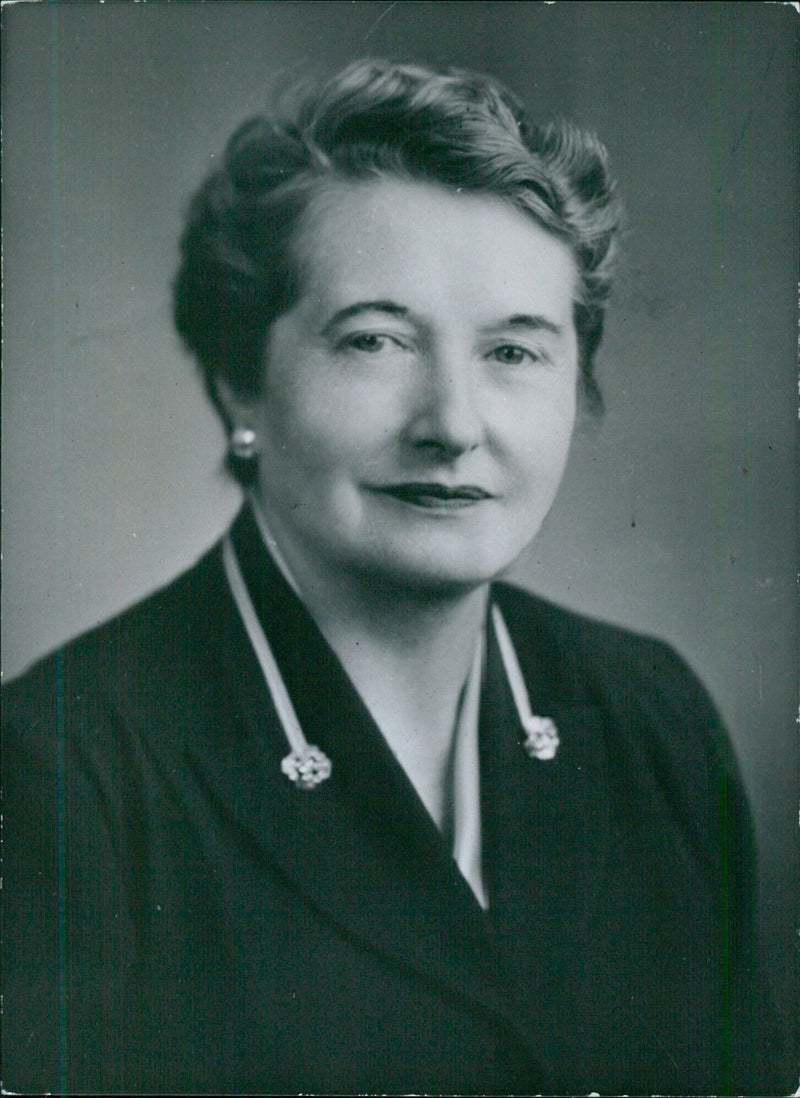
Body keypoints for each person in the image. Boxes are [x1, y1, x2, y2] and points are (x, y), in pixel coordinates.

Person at [2, 59, 789, 1095]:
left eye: (513, 352)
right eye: (374, 340)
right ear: (240, 373)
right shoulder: (65, 769)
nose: (453, 426)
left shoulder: (653, 718)